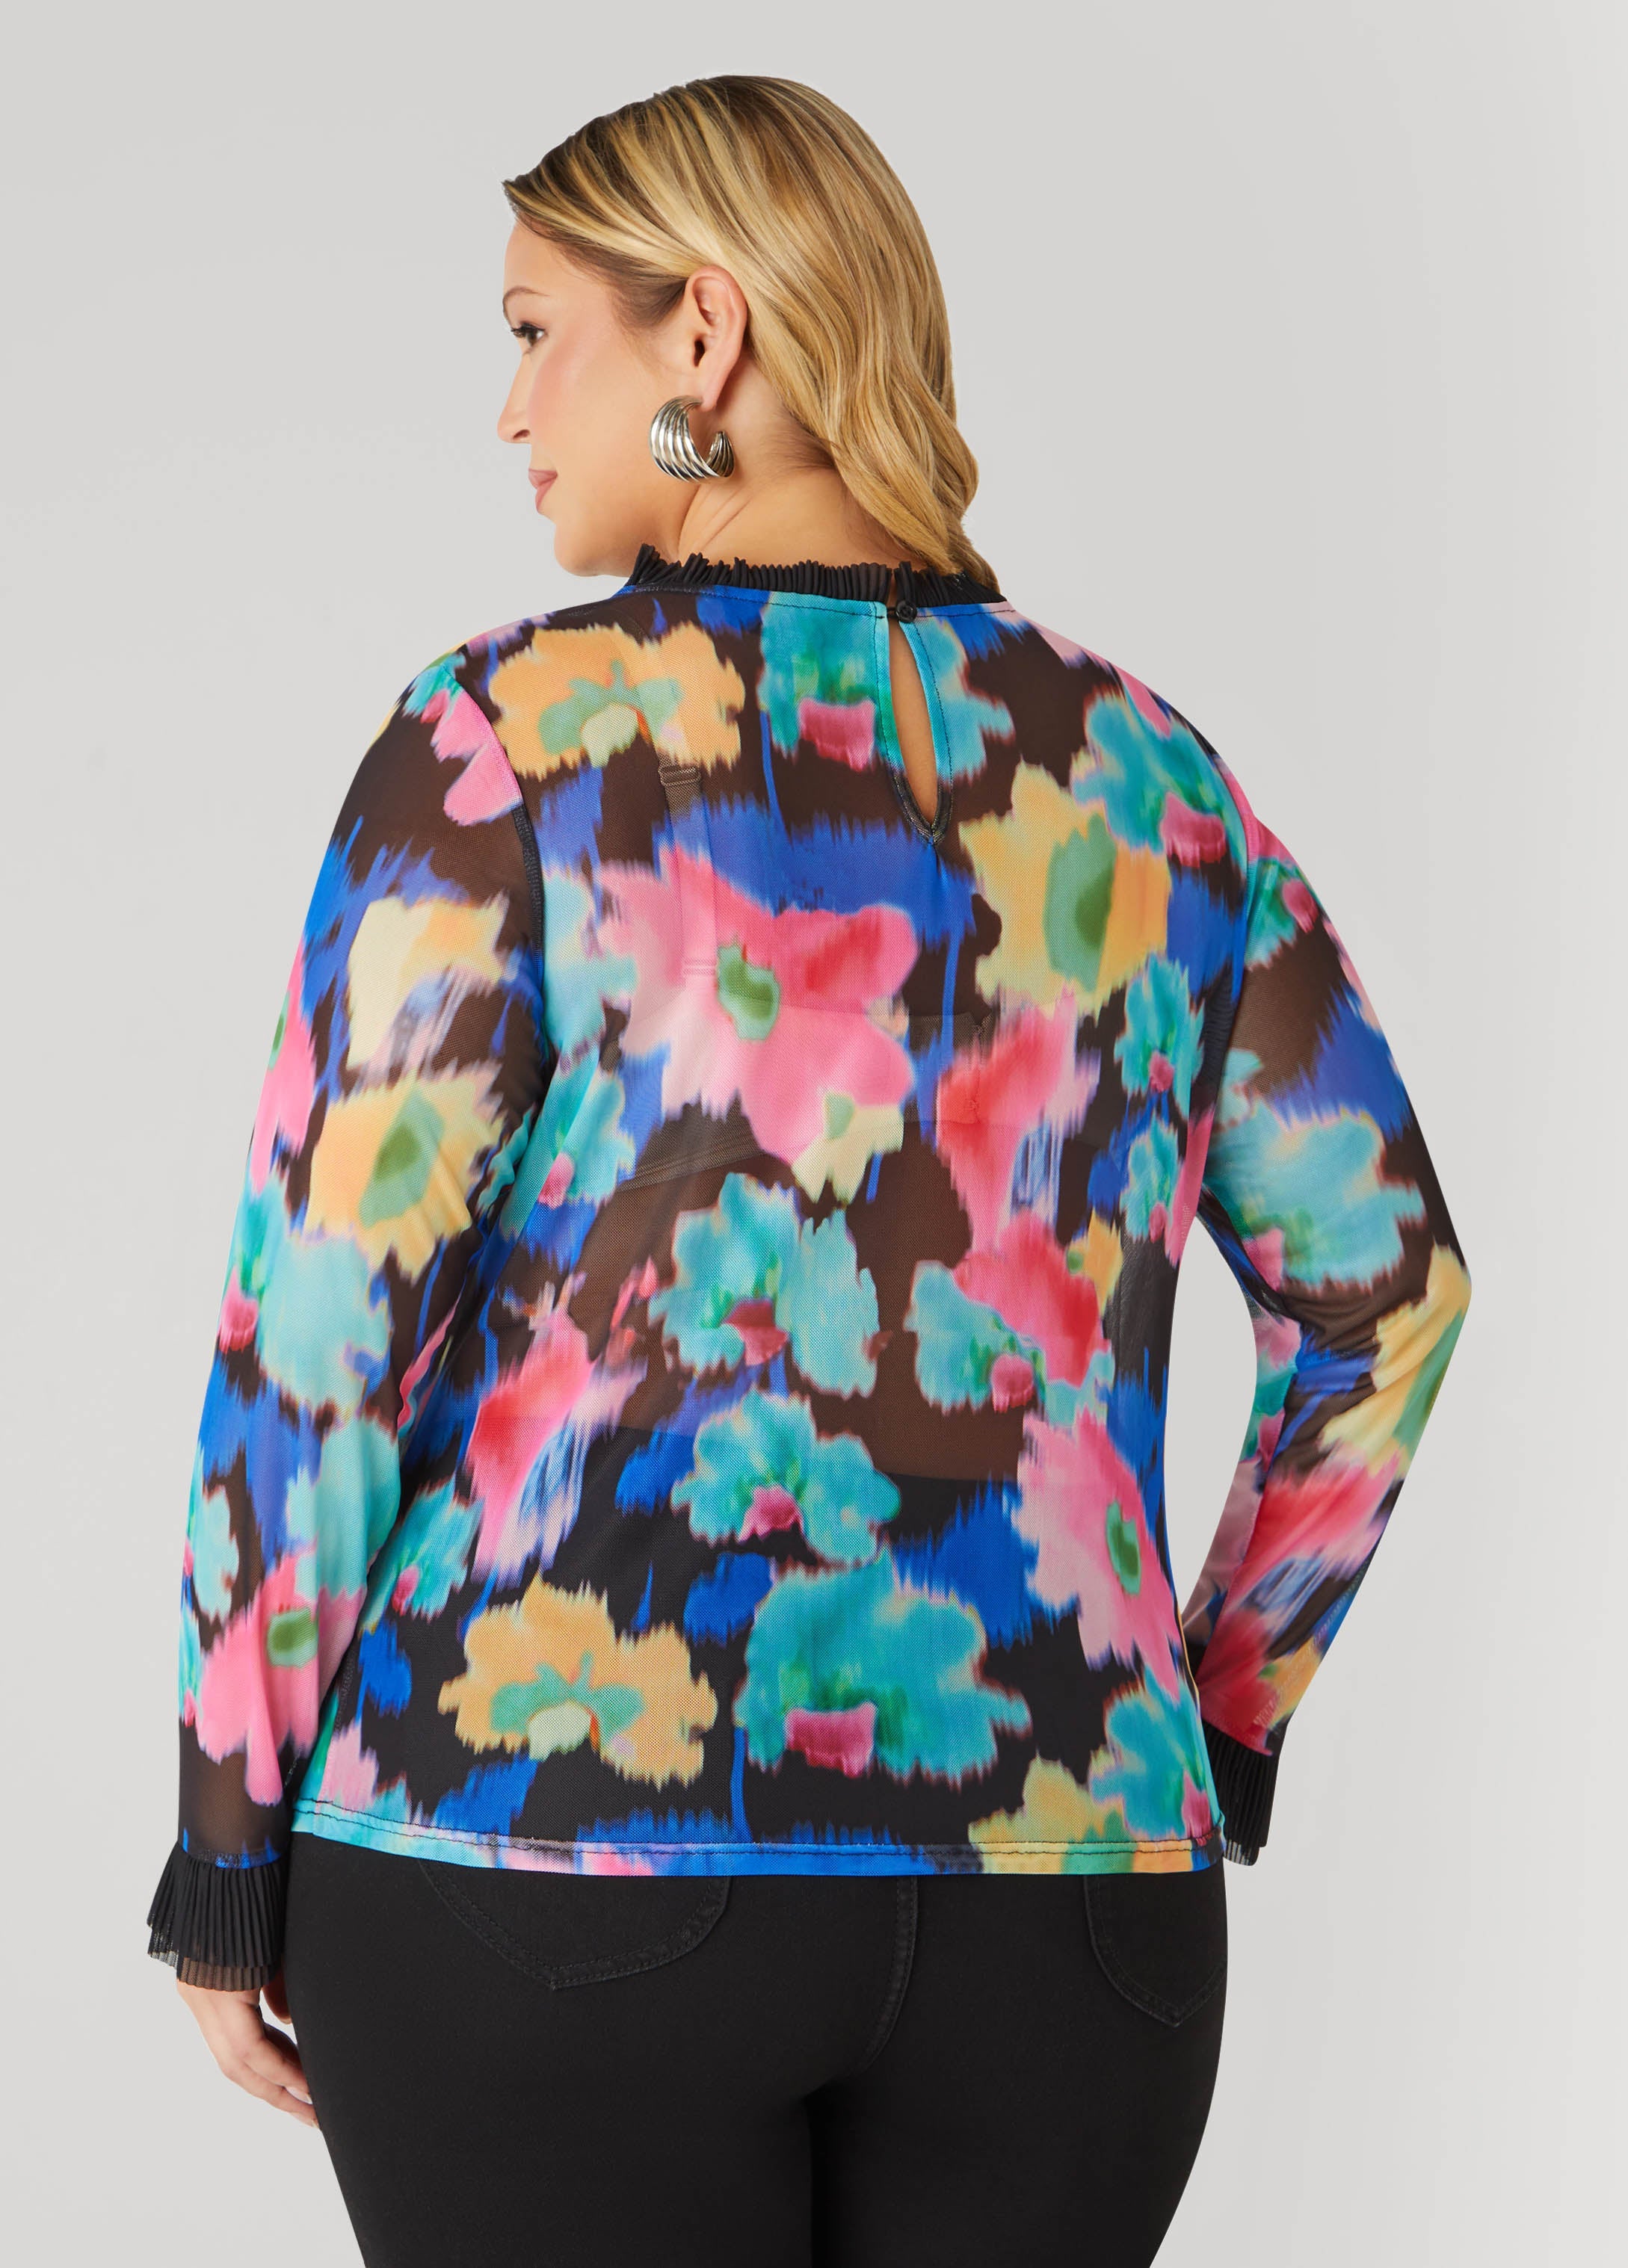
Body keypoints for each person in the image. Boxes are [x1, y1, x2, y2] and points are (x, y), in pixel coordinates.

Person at [144, 73, 1473, 2268]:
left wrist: (227, 1828)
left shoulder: (501, 751)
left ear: (705, 331)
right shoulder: (1149, 779)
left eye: (534, 331)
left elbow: (321, 1321)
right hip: (1072, 1900)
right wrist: (1210, 1708)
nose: (507, 409)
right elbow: (1389, 1291)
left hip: (542, 1859)